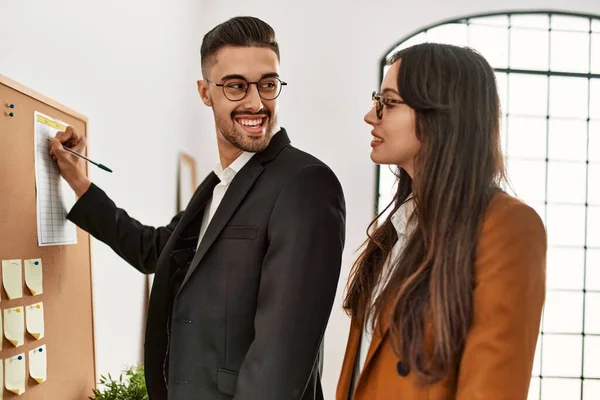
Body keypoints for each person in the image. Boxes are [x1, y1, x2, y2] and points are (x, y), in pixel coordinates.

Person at [49, 16, 346, 400]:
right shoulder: (215, 188)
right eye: (236, 86)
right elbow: (154, 250)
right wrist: (78, 182)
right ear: (205, 92)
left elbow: (279, 365)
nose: (256, 102)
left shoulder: (306, 183)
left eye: (268, 84)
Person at [336, 43, 546, 400]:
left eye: (389, 101)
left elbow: (492, 390)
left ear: (440, 113)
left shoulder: (507, 226)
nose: (371, 116)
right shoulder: (394, 232)